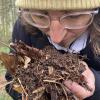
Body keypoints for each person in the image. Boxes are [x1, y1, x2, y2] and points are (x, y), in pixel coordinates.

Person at [5, 0, 100, 100]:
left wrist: (96, 85)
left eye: (73, 16)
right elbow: (11, 79)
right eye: (40, 16)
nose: (56, 38)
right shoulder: (24, 26)